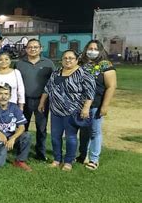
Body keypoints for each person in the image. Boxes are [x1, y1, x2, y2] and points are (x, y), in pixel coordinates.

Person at [38, 50, 96, 171]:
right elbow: (47, 88)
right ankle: (57, 159)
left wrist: (86, 108)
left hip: (73, 111)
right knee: (55, 136)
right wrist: (42, 102)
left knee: (70, 137)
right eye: (65, 58)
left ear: (76, 60)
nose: (68, 60)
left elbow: (90, 93)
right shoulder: (56, 73)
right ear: (62, 60)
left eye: (71, 58)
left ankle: (68, 161)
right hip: (56, 111)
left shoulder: (83, 73)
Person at [77, 40, 117, 170]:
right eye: (90, 48)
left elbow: (111, 86)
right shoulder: (81, 63)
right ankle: (83, 155)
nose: (92, 51)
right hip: (80, 104)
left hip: (96, 104)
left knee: (95, 131)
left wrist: (105, 106)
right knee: (83, 131)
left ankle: (94, 159)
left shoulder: (105, 65)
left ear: (100, 51)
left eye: (95, 48)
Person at [14, 39, 55, 161]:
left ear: (41, 48)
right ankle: (21, 150)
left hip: (41, 100)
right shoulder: (19, 64)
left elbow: (52, 82)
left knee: (41, 128)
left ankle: (40, 153)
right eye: (30, 47)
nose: (33, 49)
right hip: (24, 101)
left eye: (35, 47)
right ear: (26, 49)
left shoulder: (48, 63)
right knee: (22, 127)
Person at [0, 82, 32, 171]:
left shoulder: (15, 107)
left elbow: (22, 127)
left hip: (10, 137)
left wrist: (13, 138)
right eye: (0, 93)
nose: (3, 96)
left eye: (6, 94)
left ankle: (20, 161)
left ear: (10, 96)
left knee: (27, 135)